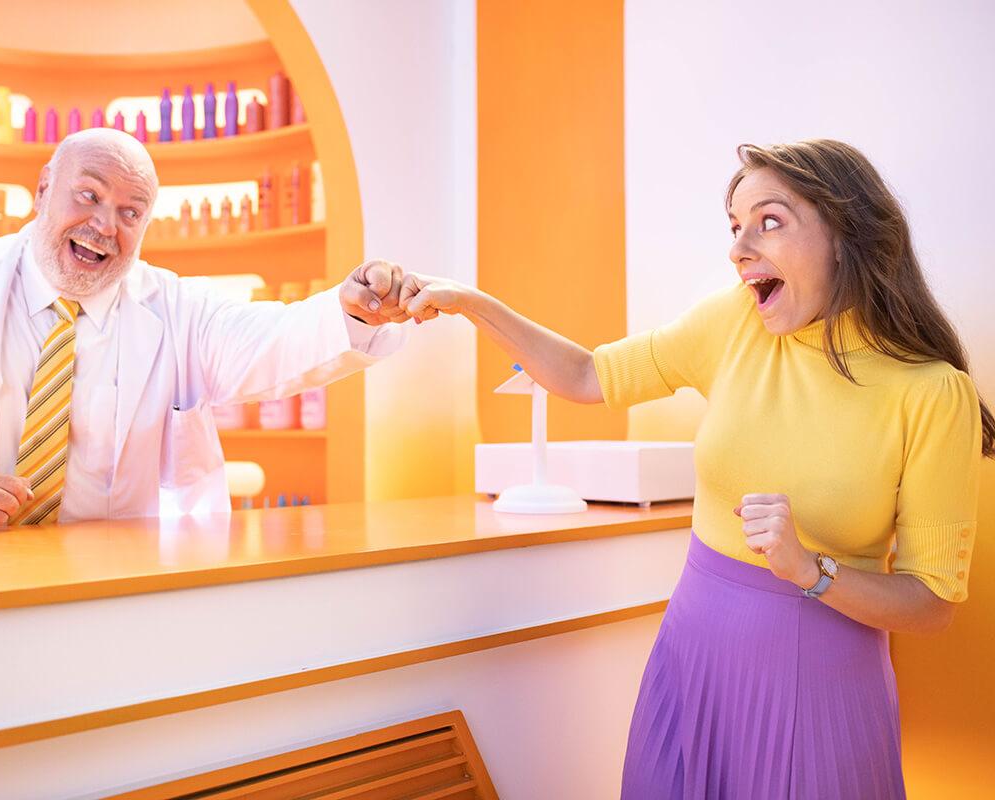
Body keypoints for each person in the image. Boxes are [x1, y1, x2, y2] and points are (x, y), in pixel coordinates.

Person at [397, 139, 990, 798]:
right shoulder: (736, 322)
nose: (739, 248)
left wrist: (810, 571)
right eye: (734, 228)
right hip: (693, 661)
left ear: (845, 234)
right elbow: (587, 374)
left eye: (769, 221)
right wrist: (468, 303)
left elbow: (931, 604)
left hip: (820, 688)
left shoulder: (932, 393)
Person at [0, 128, 412, 533]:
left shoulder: (174, 308)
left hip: (112, 583)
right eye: (88, 196)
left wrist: (352, 310)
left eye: (131, 212)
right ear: (43, 190)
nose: (104, 226)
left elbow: (267, 339)